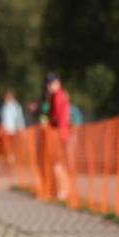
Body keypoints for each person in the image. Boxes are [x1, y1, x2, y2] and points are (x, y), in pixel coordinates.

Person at [45, 72, 71, 201]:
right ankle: (62, 189)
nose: (49, 86)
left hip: (59, 134)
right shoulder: (59, 95)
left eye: (51, 83)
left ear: (58, 82)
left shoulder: (58, 96)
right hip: (61, 133)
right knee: (59, 163)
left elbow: (58, 118)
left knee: (58, 164)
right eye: (48, 83)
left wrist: (48, 122)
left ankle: (62, 191)